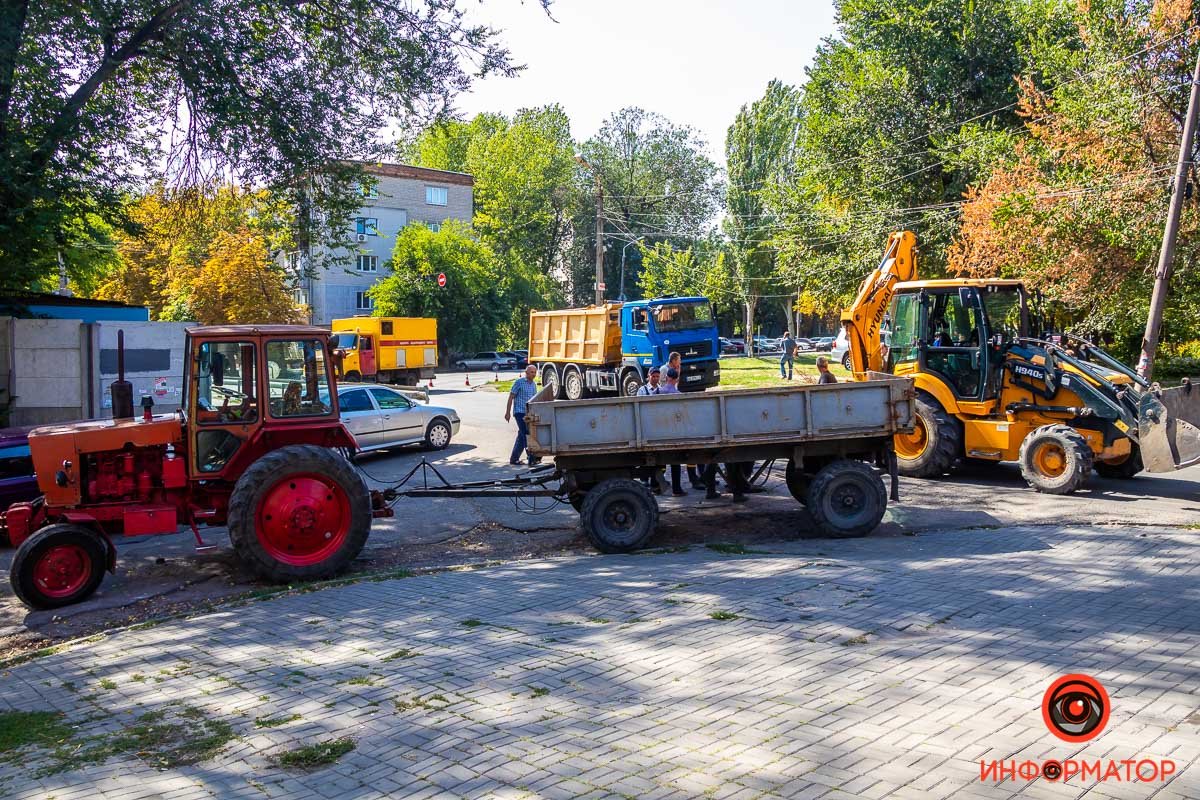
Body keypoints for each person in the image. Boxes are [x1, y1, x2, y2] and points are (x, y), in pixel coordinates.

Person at [505, 364, 541, 466]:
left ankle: (514, 458)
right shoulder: (519, 382)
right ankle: (531, 458)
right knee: (526, 434)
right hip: (519, 412)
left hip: (528, 413)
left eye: (535, 372)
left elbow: (533, 400)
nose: (533, 374)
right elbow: (511, 397)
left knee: (521, 435)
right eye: (531, 372)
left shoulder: (533, 385)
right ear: (526, 373)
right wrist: (507, 412)